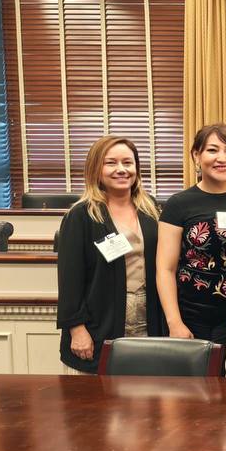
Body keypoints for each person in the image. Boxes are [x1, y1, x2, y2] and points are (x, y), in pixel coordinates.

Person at [57, 136, 166, 373]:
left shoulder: (151, 208)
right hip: (101, 321)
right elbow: (70, 279)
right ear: (96, 169)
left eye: (128, 162)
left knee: (146, 388)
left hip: (148, 318)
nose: (121, 169)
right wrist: (77, 329)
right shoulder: (81, 215)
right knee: (99, 393)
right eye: (111, 163)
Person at [156, 124, 226, 351]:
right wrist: (174, 323)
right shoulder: (179, 204)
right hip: (194, 315)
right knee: (202, 375)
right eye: (212, 150)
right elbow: (165, 269)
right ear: (196, 156)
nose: (222, 158)